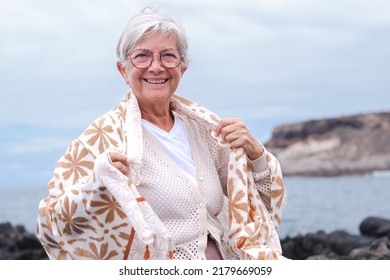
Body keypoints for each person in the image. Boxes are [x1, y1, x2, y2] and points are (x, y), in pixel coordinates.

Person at [36, 7, 287, 260]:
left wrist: (256, 154)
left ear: (182, 69)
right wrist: (97, 182)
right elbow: (51, 224)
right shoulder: (100, 140)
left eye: (168, 56)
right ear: (123, 71)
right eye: (142, 56)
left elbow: (261, 205)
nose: (156, 67)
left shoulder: (205, 131)